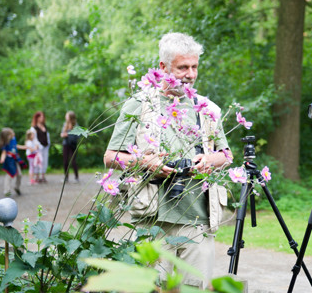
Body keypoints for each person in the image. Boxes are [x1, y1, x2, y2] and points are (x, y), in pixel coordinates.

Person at [103, 32, 232, 289]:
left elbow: (226, 155)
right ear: (163, 67)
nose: (191, 74)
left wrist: (208, 160)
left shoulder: (206, 108)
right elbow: (110, 157)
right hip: (152, 222)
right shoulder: (139, 104)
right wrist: (145, 163)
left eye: (194, 67)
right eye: (183, 67)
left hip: (198, 222)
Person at [0, 127, 27, 196]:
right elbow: (4, 152)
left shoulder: (13, 139)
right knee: (9, 174)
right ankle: (7, 191)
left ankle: (17, 187)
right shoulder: (6, 143)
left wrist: (23, 147)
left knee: (19, 175)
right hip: (9, 161)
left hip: (15, 159)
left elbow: (15, 146)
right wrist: (2, 159)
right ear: (7, 136)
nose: (13, 133)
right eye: (12, 133)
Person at [29, 111, 50, 183]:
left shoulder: (45, 127)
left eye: (43, 117)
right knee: (38, 162)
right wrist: (39, 146)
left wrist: (48, 144)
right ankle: (37, 177)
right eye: (40, 117)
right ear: (37, 118)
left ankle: (43, 176)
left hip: (45, 147)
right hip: (38, 148)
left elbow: (47, 136)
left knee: (44, 161)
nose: (42, 118)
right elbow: (34, 139)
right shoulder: (34, 128)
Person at [61, 111, 79, 183]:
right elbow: (62, 133)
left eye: (67, 116)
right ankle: (66, 177)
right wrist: (63, 135)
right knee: (65, 161)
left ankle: (76, 177)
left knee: (73, 161)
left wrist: (69, 135)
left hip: (73, 145)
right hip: (66, 144)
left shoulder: (76, 125)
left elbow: (78, 135)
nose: (66, 117)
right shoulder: (65, 124)